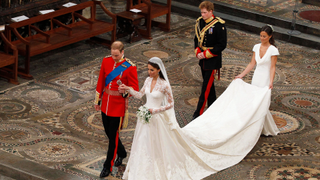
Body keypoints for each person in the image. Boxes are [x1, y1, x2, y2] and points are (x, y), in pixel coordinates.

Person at [119, 57, 279, 180]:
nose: (149, 72)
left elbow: (170, 104)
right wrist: (129, 89)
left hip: (156, 117)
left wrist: (156, 110)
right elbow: (141, 95)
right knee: (143, 143)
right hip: (145, 117)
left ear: (159, 70)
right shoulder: (147, 81)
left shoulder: (164, 85)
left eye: (152, 70)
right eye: (148, 69)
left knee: (159, 144)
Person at [94, 41, 139, 178]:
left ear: (122, 52)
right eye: (113, 55)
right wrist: (98, 100)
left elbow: (135, 88)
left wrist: (126, 91)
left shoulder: (130, 67)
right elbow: (101, 80)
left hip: (118, 106)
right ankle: (122, 152)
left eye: (117, 55)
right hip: (106, 103)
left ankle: (107, 166)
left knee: (113, 137)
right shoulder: (106, 61)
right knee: (109, 132)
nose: (114, 58)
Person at [235, 24, 280, 135]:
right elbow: (252, 63)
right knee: (254, 101)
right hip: (257, 76)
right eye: (260, 36)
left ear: (270, 36)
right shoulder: (256, 47)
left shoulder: (273, 50)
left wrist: (271, 82)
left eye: (264, 36)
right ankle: (256, 127)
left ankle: (259, 128)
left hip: (265, 78)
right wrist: (242, 75)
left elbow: (272, 67)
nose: (262, 38)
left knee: (261, 102)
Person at [193, 1, 227, 120]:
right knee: (210, 88)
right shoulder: (200, 22)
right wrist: (198, 52)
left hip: (212, 60)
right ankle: (214, 109)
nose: (202, 15)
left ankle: (198, 114)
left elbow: (222, 45)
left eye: (205, 12)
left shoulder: (219, 25)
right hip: (202, 59)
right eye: (201, 12)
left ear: (211, 11)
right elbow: (196, 39)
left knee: (205, 88)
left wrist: (206, 54)